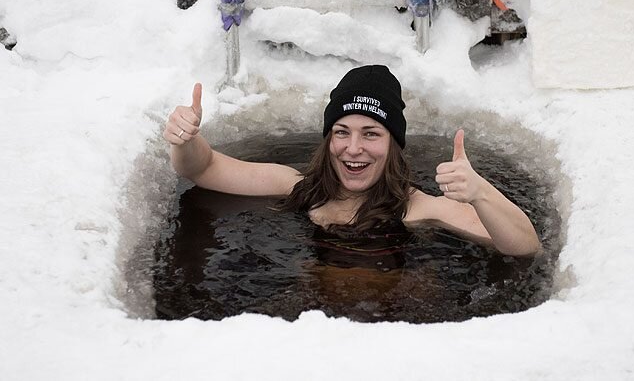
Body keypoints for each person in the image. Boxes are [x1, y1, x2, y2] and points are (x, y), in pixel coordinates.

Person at [164, 65, 541, 257]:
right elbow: (204, 168)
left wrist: (480, 193)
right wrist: (187, 140)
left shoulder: (417, 208)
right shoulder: (299, 188)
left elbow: (524, 246)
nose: (353, 148)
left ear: (394, 146)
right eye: (342, 132)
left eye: (371, 134)